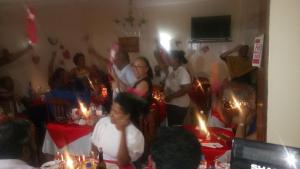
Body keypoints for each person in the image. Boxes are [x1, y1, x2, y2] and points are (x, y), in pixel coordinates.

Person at [91, 92, 145, 168]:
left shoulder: (135, 135)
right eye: (112, 109)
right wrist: (95, 162)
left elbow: (123, 162)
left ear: (127, 116)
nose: (111, 113)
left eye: (116, 112)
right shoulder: (103, 123)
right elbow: (94, 146)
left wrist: (123, 131)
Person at [155, 48, 192, 126]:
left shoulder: (182, 71)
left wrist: (171, 97)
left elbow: (186, 89)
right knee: (171, 125)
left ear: (176, 59)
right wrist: (158, 50)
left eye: (169, 57)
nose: (168, 59)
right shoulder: (171, 68)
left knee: (175, 127)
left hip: (179, 105)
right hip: (171, 103)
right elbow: (160, 61)